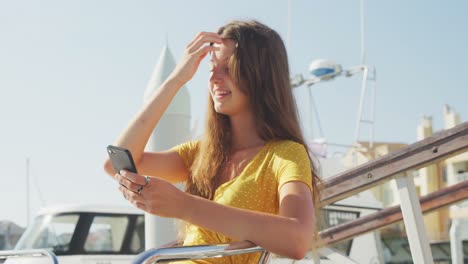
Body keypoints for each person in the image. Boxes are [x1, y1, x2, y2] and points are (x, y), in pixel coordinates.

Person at [104, 20, 321, 263]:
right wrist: (176, 79)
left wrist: (184, 205)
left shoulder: (285, 155)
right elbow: (116, 164)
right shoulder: (201, 152)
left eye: (228, 68)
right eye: (211, 69)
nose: (215, 79)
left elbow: (297, 240)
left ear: (260, 75)